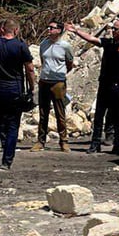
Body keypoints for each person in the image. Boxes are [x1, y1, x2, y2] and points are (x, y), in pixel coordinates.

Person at [66, 18, 119, 155]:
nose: (113, 31)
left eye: (116, 29)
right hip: (105, 84)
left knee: (117, 117)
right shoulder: (109, 43)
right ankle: (95, 143)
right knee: (98, 115)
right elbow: (93, 40)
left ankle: (117, 145)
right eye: (113, 28)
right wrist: (76, 31)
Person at [0, 18, 35, 170]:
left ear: (3, 29)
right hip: (14, 90)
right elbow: (29, 69)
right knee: (12, 126)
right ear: (16, 31)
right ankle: (7, 161)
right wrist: (32, 88)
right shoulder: (21, 46)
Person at [33, 20, 74, 152]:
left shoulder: (65, 46)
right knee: (43, 113)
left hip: (58, 82)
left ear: (59, 30)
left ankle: (63, 141)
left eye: (52, 28)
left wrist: (61, 74)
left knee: (60, 113)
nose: (49, 30)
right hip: (44, 81)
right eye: (48, 27)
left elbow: (70, 62)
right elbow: (43, 60)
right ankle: (41, 141)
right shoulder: (44, 44)